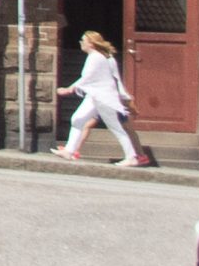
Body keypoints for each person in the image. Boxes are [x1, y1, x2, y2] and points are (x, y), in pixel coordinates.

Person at [57, 30, 150, 165]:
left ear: (91, 43)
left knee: (116, 127)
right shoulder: (103, 57)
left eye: (83, 40)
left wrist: (69, 89)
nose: (81, 43)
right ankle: (69, 150)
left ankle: (132, 157)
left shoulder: (95, 58)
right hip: (94, 95)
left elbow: (87, 78)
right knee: (77, 119)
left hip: (103, 97)